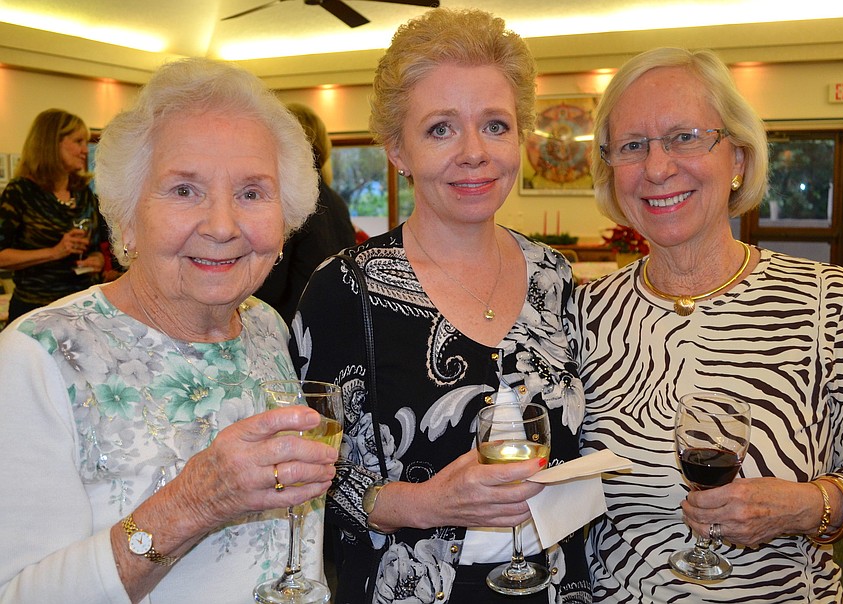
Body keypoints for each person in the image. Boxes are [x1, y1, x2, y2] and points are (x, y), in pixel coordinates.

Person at [0, 57, 339, 603]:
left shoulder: (265, 328)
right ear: (126, 214)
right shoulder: (39, 357)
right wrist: (193, 502)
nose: (223, 226)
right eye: (184, 190)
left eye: (252, 193)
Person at [289, 8, 591, 603]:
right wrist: (423, 502)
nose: (474, 152)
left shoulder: (554, 277)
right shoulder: (343, 292)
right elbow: (300, 482)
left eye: (496, 126)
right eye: (441, 129)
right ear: (397, 148)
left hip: (555, 588)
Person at [569, 46, 843, 602]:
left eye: (685, 137)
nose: (656, 167)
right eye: (632, 146)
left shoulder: (827, 303)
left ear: (739, 158)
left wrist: (813, 506)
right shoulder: (581, 314)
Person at [0, 109, 105, 323]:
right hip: (37, 311)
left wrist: (99, 259)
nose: (85, 150)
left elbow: (100, 246)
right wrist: (53, 252)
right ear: (51, 143)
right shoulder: (20, 192)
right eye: (78, 141)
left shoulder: (84, 193)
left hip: (83, 306)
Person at [255, 102, 355, 324]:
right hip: (333, 322)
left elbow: (270, 287)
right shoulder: (336, 202)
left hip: (290, 330)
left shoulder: (292, 200)